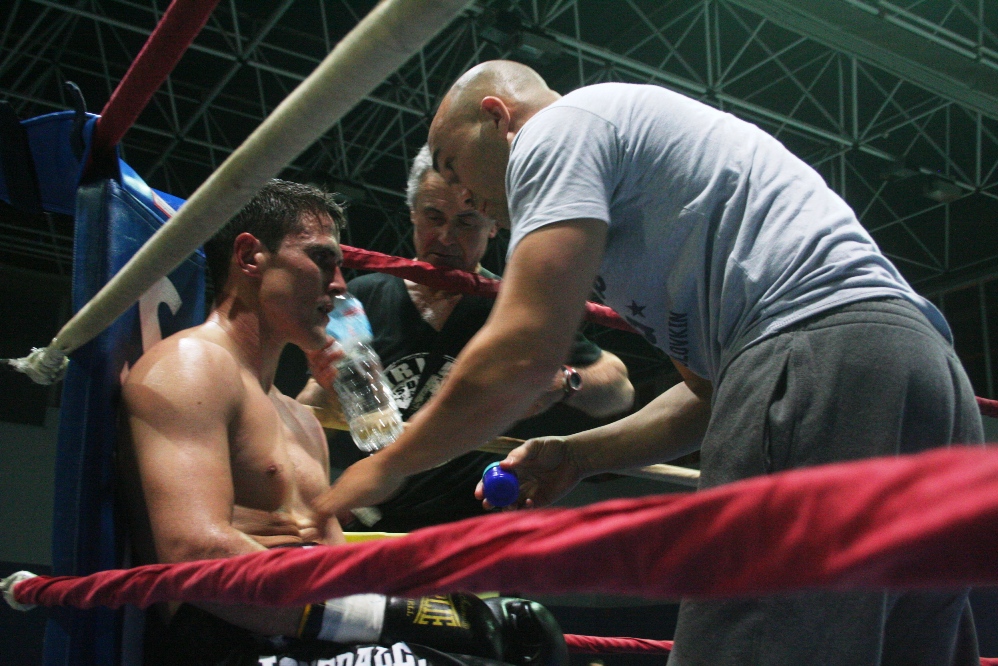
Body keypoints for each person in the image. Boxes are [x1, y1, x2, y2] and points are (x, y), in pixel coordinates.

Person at [315, 61, 984, 665]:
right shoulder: (637, 200)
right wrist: (578, 454)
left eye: (452, 164)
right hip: (923, 374)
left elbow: (524, 349)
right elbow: (709, 396)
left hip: (815, 356)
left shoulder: (555, 130)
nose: (462, 194)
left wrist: (388, 466)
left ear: (497, 117)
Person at [119, 179, 566, 666]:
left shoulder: (300, 420)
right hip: (232, 642)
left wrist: (435, 608)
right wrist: (393, 615)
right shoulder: (193, 364)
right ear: (249, 257)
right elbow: (191, 552)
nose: (338, 286)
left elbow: (340, 568)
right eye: (321, 260)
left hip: (318, 640)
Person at [296, 145, 633, 531]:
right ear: (412, 212)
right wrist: (327, 390)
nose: (445, 237)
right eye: (433, 217)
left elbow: (619, 391)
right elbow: (312, 408)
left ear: (493, 224)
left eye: (466, 222)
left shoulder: (517, 307)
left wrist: (566, 381)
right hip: (373, 522)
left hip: (472, 529)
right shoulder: (364, 295)